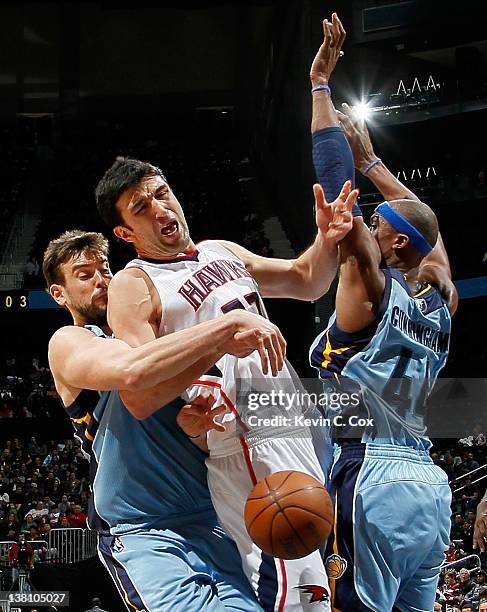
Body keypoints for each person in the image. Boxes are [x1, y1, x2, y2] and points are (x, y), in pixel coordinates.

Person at [93, 21, 359, 606]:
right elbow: (141, 383)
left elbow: (307, 280)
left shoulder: (220, 250)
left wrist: (327, 238)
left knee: (319, 574)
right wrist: (201, 389)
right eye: (142, 207)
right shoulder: (135, 285)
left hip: (285, 408)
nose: (161, 207)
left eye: (162, 192)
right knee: (287, 576)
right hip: (234, 428)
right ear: (125, 232)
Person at [44, 230, 285, 611]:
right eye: (84, 274)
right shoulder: (71, 340)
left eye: (105, 269)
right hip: (143, 530)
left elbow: (186, 430)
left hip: (210, 518)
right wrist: (223, 330)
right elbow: (131, 373)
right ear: (59, 293)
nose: (101, 279)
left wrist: (193, 427)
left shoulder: (159, 337)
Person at [308, 12, 456, 612]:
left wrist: (319, 85)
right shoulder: (441, 295)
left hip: (369, 475)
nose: (366, 226)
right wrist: (374, 161)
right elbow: (427, 228)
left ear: (392, 245)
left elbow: (335, 190)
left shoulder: (371, 294)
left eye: (376, 228)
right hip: (428, 486)